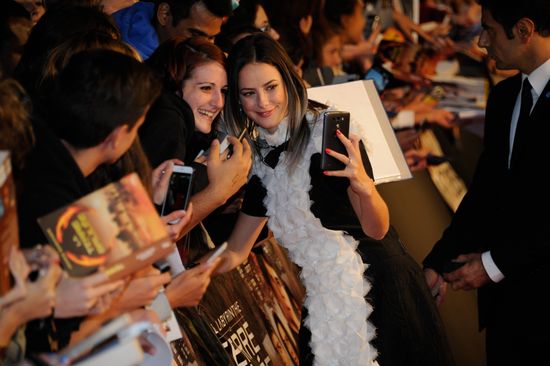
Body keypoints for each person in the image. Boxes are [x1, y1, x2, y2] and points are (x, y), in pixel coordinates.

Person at [217, 33, 454, 366]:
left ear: (287, 82)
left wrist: (363, 185)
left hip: (383, 290)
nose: (263, 102)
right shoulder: (258, 162)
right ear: (237, 100)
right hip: (326, 304)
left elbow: (377, 228)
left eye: (271, 87)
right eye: (249, 93)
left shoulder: (328, 133)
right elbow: (237, 250)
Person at [423, 0, 550, 365]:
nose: (480, 42)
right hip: (506, 314)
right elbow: (486, 194)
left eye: (490, 30)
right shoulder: (505, 97)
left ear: (524, 30)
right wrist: (439, 262)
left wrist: (493, 265)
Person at [16, 49, 161, 355]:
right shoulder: (67, 214)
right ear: (117, 136)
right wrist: (121, 305)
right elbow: (51, 345)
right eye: (138, 127)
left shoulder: (25, 140)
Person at [141, 36, 252, 245]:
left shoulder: (173, 118)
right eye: (206, 88)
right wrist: (205, 175)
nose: (218, 102)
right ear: (176, 84)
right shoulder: (168, 120)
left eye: (223, 91)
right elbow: (165, 218)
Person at [112, 0, 233, 60]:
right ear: (164, 14)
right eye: (195, 35)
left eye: (212, 37)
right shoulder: (118, 57)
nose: (206, 46)